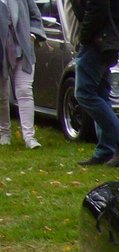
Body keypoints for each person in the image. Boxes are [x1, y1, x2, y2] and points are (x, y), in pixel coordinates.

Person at [67, 0, 119, 166]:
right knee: (100, 93)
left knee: (84, 94)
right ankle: (106, 150)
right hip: (104, 41)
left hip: (98, 41)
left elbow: (97, 8)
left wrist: (84, 37)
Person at [0, 0, 46, 148]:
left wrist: (32, 35)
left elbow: (35, 15)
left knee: (25, 90)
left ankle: (29, 137)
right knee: (2, 94)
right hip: (1, 51)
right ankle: (4, 133)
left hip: (23, 49)